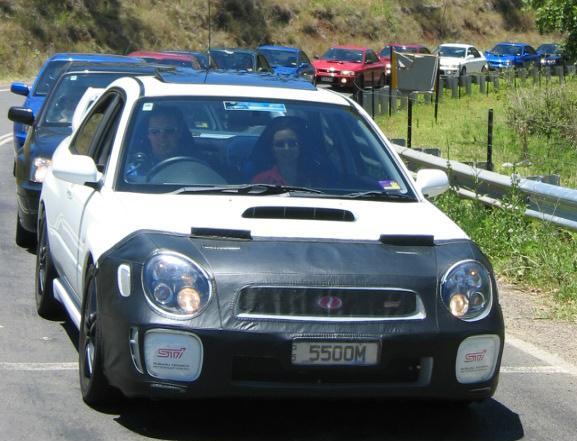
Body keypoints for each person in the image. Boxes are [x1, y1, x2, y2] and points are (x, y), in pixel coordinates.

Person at [125, 105, 193, 180]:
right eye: (155, 131)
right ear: (148, 135)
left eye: (169, 131)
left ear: (179, 133)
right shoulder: (134, 169)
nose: (162, 137)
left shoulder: (196, 165)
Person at [250, 116, 309, 186]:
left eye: (292, 143)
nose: (286, 148)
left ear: (300, 147)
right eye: (280, 144)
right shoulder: (261, 181)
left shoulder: (313, 179)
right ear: (272, 150)